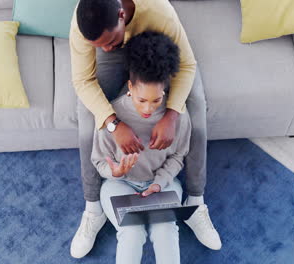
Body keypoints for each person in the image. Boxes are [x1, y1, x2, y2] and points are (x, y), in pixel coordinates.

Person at [70, 0, 221, 258]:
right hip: (118, 50)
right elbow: (83, 80)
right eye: (98, 46)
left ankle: (195, 201)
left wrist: (172, 115)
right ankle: (93, 208)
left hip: (154, 44)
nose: (104, 49)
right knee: (87, 120)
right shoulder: (85, 25)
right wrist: (112, 122)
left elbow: (187, 66)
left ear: (121, 15)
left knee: (195, 116)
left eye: (107, 41)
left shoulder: (159, 11)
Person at [93, 31, 187, 264]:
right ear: (130, 87)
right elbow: (98, 161)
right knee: (132, 233)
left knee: (165, 230)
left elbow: (178, 156)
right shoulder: (112, 118)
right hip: (119, 185)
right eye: (142, 100)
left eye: (156, 100)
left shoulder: (178, 118)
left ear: (165, 90)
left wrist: (159, 183)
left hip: (162, 184)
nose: (148, 109)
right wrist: (114, 172)